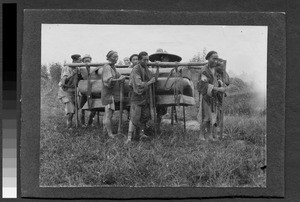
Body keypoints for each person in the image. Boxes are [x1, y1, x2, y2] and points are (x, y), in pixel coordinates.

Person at [197, 51, 230, 141]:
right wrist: (218, 89)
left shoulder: (215, 69)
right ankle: (201, 136)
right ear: (208, 58)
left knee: (213, 116)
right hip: (206, 97)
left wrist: (219, 82)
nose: (215, 61)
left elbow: (218, 78)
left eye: (216, 59)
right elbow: (204, 85)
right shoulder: (204, 70)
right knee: (206, 117)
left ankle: (209, 135)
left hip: (214, 97)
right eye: (213, 58)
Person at [148, 50, 182, 134]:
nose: (166, 60)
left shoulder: (170, 68)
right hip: (155, 90)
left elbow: (175, 77)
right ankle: (154, 127)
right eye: (164, 58)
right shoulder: (155, 66)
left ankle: (158, 126)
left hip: (166, 90)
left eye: (167, 58)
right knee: (153, 110)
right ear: (162, 58)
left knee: (161, 111)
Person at [125, 51, 156, 143]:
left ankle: (141, 134)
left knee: (144, 117)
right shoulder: (136, 69)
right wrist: (150, 82)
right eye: (144, 60)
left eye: (147, 59)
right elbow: (138, 84)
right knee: (134, 117)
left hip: (144, 97)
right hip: (137, 96)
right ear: (139, 60)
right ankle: (129, 138)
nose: (146, 61)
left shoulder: (145, 68)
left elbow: (151, 76)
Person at [102, 50, 126, 138]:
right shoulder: (107, 67)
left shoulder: (113, 67)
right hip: (108, 94)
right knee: (108, 114)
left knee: (108, 114)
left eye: (117, 57)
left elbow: (118, 75)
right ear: (109, 58)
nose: (116, 59)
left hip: (110, 94)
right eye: (114, 57)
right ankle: (110, 134)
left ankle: (105, 132)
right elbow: (108, 80)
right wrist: (119, 80)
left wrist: (123, 77)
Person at [57, 54, 83, 128]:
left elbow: (80, 79)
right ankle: (69, 127)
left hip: (73, 91)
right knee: (70, 111)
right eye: (79, 61)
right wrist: (72, 74)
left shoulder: (77, 69)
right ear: (74, 61)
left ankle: (76, 124)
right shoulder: (67, 68)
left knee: (75, 109)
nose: (81, 62)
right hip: (65, 91)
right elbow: (64, 82)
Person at [78, 54, 97, 127]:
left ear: (91, 60)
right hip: (83, 92)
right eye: (85, 60)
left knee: (94, 108)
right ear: (83, 61)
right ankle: (82, 123)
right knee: (82, 108)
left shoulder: (94, 68)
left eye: (88, 60)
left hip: (93, 91)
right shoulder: (80, 69)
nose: (87, 62)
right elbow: (78, 80)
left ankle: (90, 123)